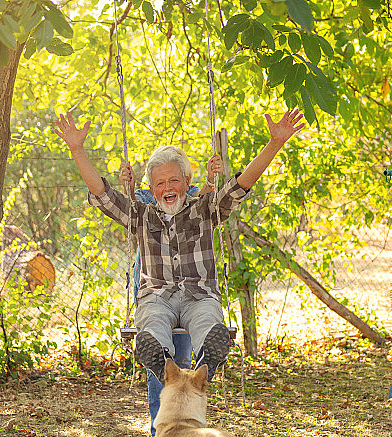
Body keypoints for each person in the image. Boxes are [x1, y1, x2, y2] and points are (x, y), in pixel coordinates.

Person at [55, 109, 305, 388]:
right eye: (160, 183)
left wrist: (275, 143)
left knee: (207, 318)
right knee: (152, 319)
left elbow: (241, 184)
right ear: (151, 188)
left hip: (198, 294)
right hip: (157, 295)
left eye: (174, 180)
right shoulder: (141, 215)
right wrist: (77, 149)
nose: (168, 187)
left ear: (187, 183)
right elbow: (102, 194)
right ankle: (159, 357)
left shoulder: (205, 209)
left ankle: (209, 354)